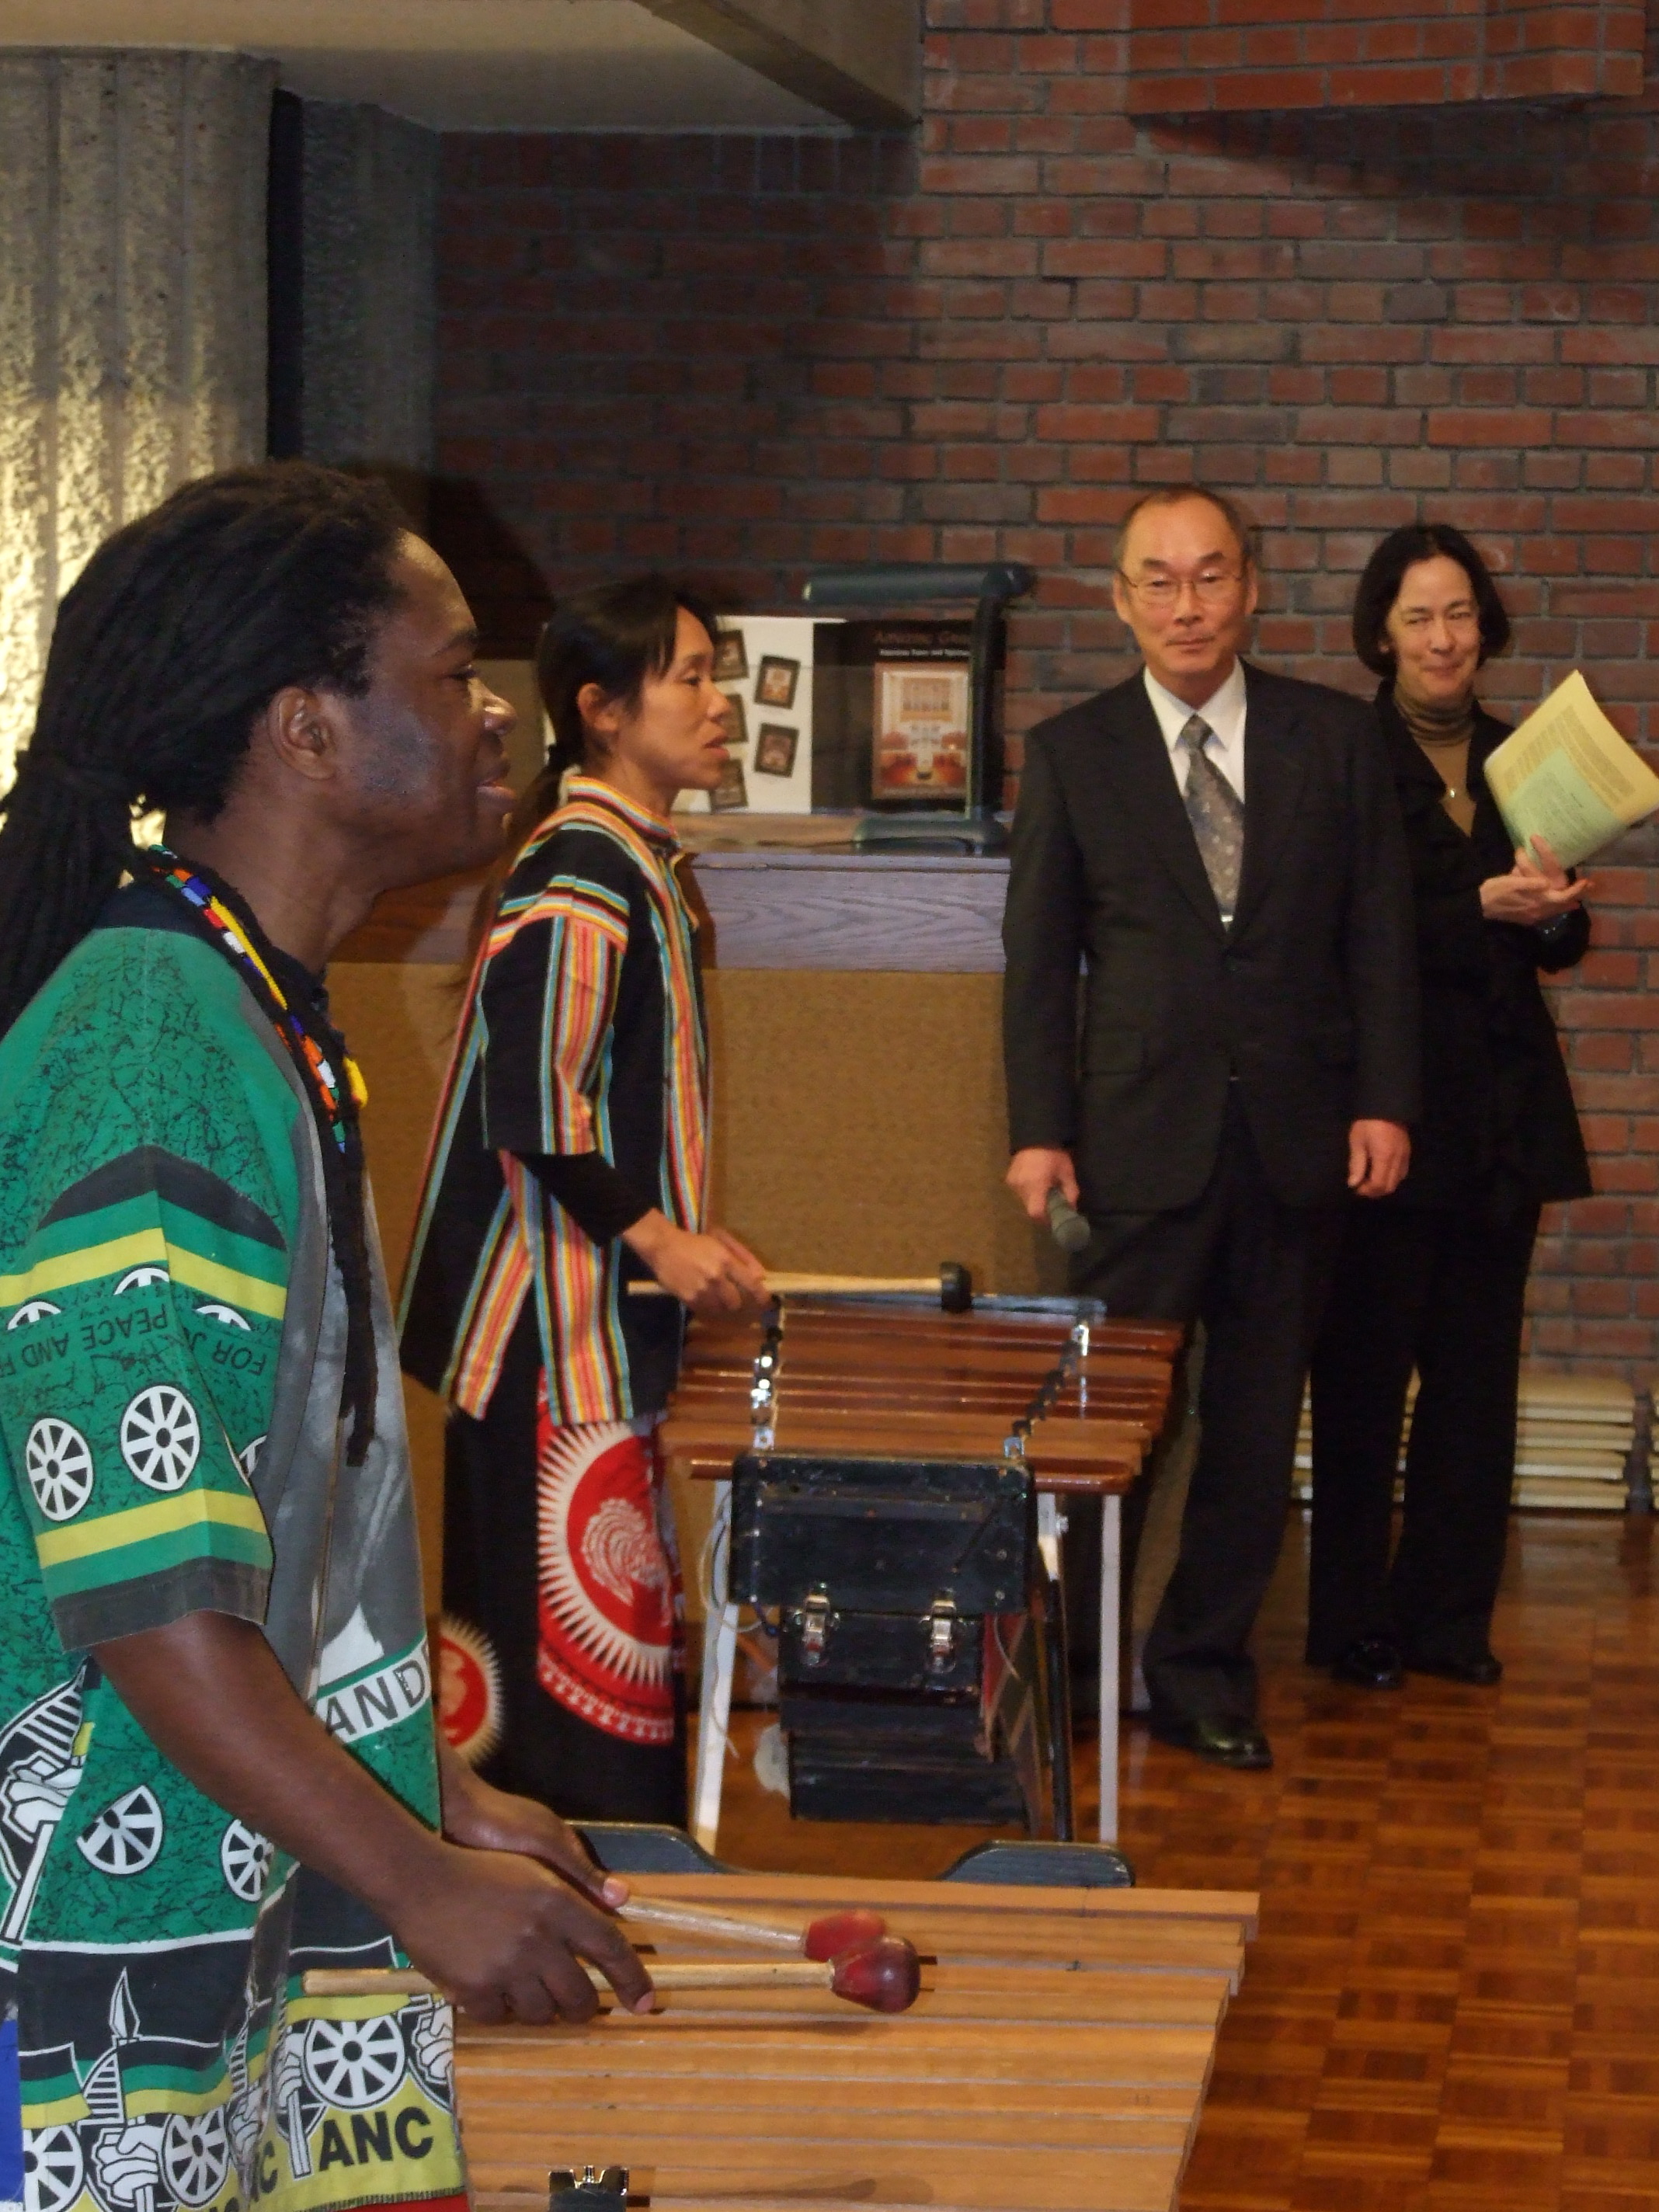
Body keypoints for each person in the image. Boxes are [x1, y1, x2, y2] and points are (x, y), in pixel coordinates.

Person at [0, 462, 656, 2212]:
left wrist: (420, 1783)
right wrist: (421, 1883)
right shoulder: (153, 1047)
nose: (496, 710)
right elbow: (144, 1585)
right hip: (82, 1946)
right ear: (306, 727)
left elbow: (266, 1523)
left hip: (213, 1888)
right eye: (448, 672)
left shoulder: (253, 1012)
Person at [1002, 485, 1419, 1771]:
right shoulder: (1075, 753)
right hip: (1134, 1143)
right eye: (1160, 581)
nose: (1188, 604)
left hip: (1300, 1140)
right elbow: (1038, 962)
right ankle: (1063, 1672)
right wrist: (1038, 1129)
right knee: (1106, 1419)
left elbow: (1380, 941)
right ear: (1123, 600)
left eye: (1211, 576)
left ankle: (1198, 1673)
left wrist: (1386, 1099)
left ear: (1252, 587)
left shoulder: (1337, 740)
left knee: (1251, 1426)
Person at [401, 577, 766, 1827]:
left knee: (602, 1644)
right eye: (695, 678)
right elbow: (533, 1103)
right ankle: (563, 1887)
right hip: (548, 1337)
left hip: (588, 1333)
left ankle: (592, 1881)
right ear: (602, 711)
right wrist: (662, 1238)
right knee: (565, 1668)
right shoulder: (583, 864)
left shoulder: (628, 860)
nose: (723, 705)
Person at [1307, 523, 1592, 1689]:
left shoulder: (1527, 759)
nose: (1444, 637)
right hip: (1388, 1111)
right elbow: (1338, 944)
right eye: (1420, 616)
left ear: (1487, 629)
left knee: (1477, 1388)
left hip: (1504, 1117)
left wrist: (1558, 912)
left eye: (1462, 614)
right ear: (1382, 631)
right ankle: (1352, 1625)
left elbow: (1559, 947)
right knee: (1366, 1386)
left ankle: (1447, 1621)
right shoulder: (1341, 759)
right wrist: (1479, 902)